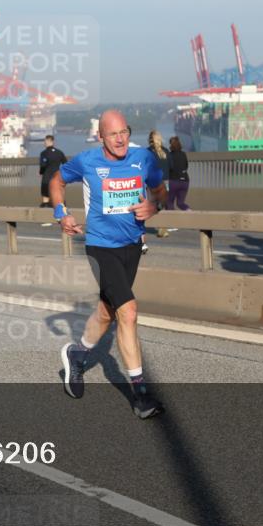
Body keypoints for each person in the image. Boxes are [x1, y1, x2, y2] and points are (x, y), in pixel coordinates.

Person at [51, 110, 167, 419]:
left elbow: (160, 191)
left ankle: (77, 354)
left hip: (132, 245)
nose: (120, 139)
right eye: (113, 134)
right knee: (128, 311)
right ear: (101, 136)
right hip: (101, 246)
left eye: (124, 132)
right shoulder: (87, 161)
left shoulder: (143, 159)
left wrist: (153, 206)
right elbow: (57, 180)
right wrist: (61, 213)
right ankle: (140, 394)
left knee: (108, 310)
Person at [38, 135, 67, 226]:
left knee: (45, 198)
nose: (44, 143)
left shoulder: (43, 153)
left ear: (48, 141)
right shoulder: (59, 153)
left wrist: (41, 172)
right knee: (60, 198)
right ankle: (63, 218)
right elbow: (66, 164)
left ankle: (47, 220)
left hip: (46, 178)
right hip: (57, 178)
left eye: (45, 141)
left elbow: (42, 166)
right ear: (53, 142)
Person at [147, 130, 170, 238]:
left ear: (150, 139)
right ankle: (163, 228)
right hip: (165, 181)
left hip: (153, 181)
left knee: (152, 204)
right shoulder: (166, 151)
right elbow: (172, 166)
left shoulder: (147, 152)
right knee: (164, 205)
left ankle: (141, 226)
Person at [166, 136, 190, 213]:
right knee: (180, 203)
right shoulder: (183, 154)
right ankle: (190, 212)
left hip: (173, 182)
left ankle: (172, 223)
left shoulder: (169, 155)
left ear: (171, 145)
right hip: (185, 181)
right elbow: (186, 166)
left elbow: (168, 168)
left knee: (169, 202)